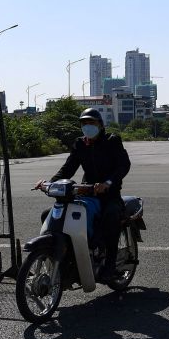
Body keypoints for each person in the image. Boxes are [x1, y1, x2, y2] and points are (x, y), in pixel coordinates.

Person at [50, 108, 131, 282]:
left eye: (92, 123)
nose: (87, 127)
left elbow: (123, 166)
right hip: (87, 193)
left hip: (110, 194)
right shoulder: (80, 144)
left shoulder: (112, 141)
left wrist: (107, 183)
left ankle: (110, 264)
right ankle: (68, 257)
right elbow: (68, 169)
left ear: (101, 125)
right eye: (84, 123)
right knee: (51, 215)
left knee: (110, 216)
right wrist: (51, 183)